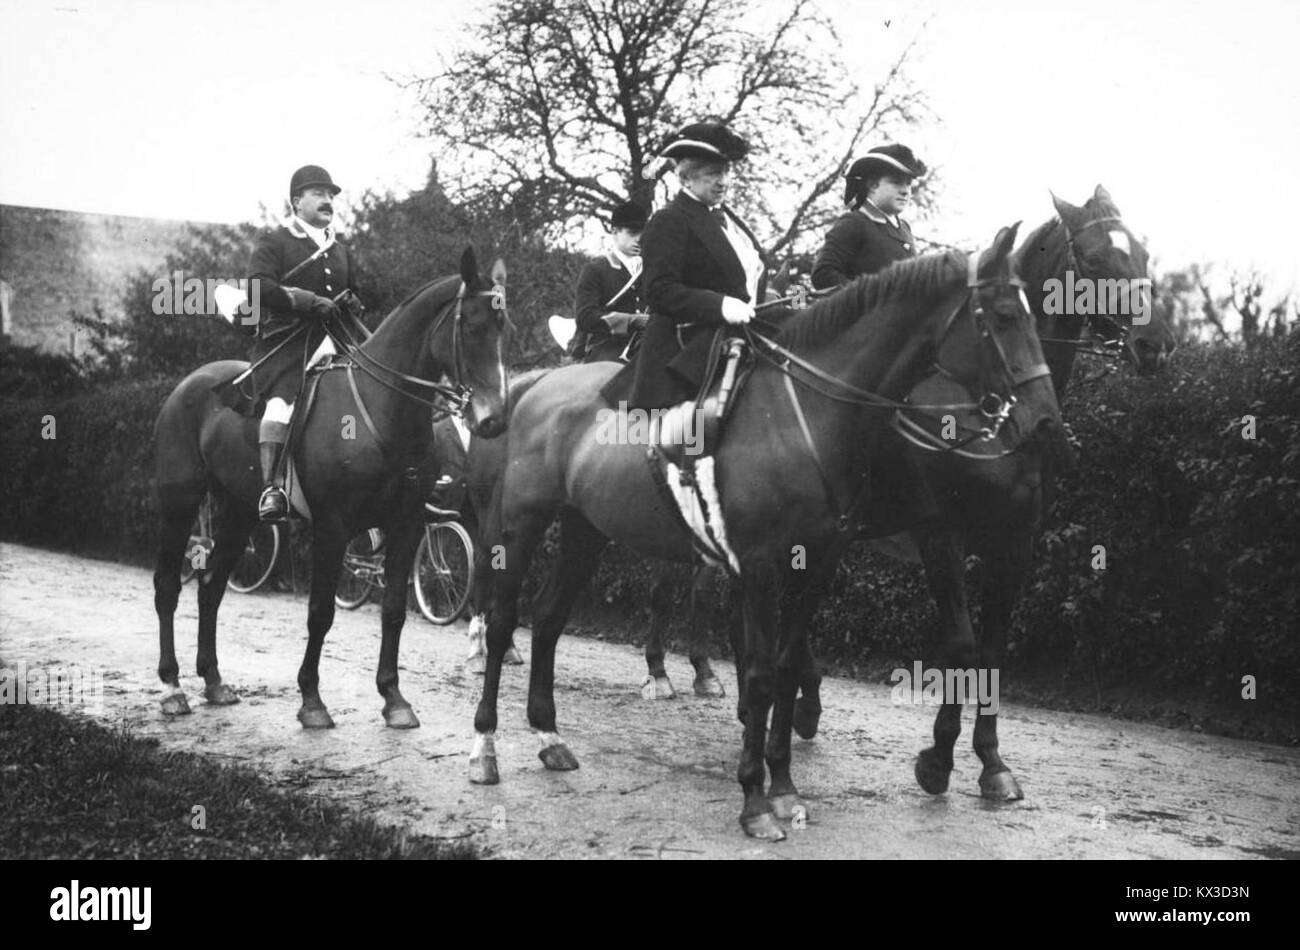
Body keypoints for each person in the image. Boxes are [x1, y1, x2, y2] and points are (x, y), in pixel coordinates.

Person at [247, 164, 361, 522]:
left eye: (331, 195)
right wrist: (309, 301)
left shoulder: (339, 249)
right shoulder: (275, 240)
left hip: (336, 342)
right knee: (281, 404)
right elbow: (259, 287)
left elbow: (354, 291)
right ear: (297, 201)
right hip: (288, 344)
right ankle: (272, 488)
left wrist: (353, 302)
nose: (328, 201)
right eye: (319, 194)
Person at [627, 121, 765, 412]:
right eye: (714, 173)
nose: (724, 181)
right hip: (684, 351)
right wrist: (719, 305)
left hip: (734, 341)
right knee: (690, 435)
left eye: (727, 172)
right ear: (686, 178)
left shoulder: (730, 223)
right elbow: (659, 290)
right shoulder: (670, 219)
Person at [811, 144, 927, 290]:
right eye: (897, 182)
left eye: (908, 184)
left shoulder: (904, 228)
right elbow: (823, 274)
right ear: (872, 185)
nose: (905, 191)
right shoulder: (854, 223)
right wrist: (871, 298)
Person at [573, 200, 649, 363]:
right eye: (632, 232)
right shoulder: (596, 270)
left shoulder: (651, 270)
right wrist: (630, 320)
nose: (639, 239)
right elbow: (585, 317)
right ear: (615, 232)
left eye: (643, 233)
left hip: (647, 346)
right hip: (607, 348)